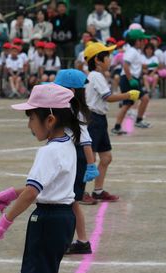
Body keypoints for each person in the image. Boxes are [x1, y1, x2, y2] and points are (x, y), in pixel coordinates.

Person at [0, 83, 81, 273]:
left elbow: (32, 192)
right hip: (61, 219)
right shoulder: (67, 142)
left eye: (31, 118)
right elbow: (47, 185)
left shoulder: (49, 152)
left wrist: (5, 221)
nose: (29, 125)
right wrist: (13, 193)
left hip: (48, 220)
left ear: (50, 120)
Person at [84, 42, 140, 202]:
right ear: (97, 60)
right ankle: (78, 192)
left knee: (106, 157)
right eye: (107, 57)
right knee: (89, 159)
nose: (110, 60)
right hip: (93, 119)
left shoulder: (98, 76)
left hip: (99, 119)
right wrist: (128, 95)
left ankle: (98, 191)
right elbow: (107, 96)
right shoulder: (95, 75)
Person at [54, 69, 99, 255]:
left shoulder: (74, 111)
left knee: (68, 202)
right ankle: (82, 241)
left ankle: (72, 241)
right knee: (71, 203)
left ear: (71, 91)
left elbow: (85, 141)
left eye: (60, 88)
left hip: (77, 159)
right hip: (71, 157)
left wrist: (90, 165)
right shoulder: (68, 108)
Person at [112, 30, 150, 135]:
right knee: (144, 98)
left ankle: (117, 126)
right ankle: (139, 120)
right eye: (142, 40)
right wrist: (130, 79)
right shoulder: (132, 51)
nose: (144, 42)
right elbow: (125, 65)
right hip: (129, 79)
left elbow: (136, 66)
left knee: (127, 104)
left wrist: (150, 66)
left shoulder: (135, 51)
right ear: (137, 41)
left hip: (131, 79)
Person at [51, 1, 76, 66]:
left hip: (68, 42)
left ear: (66, 8)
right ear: (57, 9)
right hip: (57, 43)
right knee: (60, 60)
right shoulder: (54, 19)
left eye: (63, 7)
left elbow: (74, 31)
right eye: (60, 7)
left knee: (68, 59)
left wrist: (73, 41)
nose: (61, 8)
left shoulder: (70, 18)